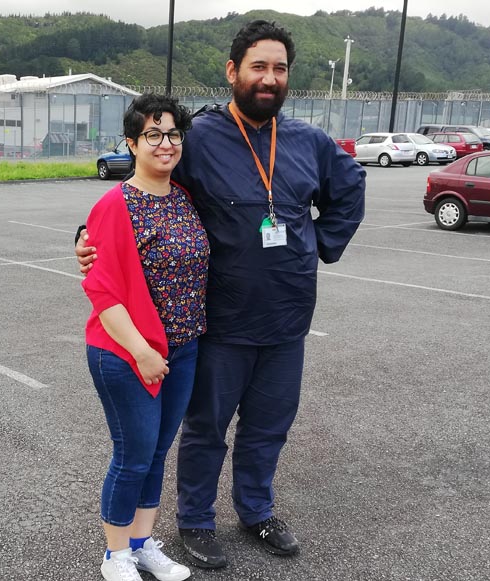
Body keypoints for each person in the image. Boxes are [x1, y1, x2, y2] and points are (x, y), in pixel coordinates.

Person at [77, 20, 366, 569]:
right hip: (221, 321)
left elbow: (351, 187)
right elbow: (144, 188)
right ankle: (196, 521)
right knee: (206, 428)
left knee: (269, 425)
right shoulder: (201, 138)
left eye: (279, 69)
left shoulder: (309, 142)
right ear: (233, 71)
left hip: (287, 319)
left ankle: (256, 510)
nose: (269, 78)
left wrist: (320, 245)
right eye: (258, 66)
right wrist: (85, 236)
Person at [82, 93, 209, 581]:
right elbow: (103, 290)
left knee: (157, 452)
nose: (165, 143)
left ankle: (141, 543)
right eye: (153, 134)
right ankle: (115, 555)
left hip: (183, 348)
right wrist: (140, 351)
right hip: (125, 352)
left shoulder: (184, 198)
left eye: (173, 134)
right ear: (132, 143)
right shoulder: (116, 204)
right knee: (132, 453)